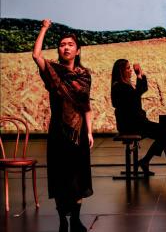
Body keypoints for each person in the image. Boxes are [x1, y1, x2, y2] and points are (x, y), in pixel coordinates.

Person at [32, 19, 93, 232]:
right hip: (59, 130)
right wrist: (44, 28)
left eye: (70, 44)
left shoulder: (84, 75)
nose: (65, 47)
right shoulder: (53, 71)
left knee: (78, 176)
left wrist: (90, 131)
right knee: (60, 177)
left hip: (78, 132)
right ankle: (62, 221)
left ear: (77, 50)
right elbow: (36, 56)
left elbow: (85, 105)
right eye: (62, 44)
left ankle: (75, 219)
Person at [111, 59, 166, 176]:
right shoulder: (119, 86)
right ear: (121, 71)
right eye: (127, 68)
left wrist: (139, 76)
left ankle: (150, 162)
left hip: (135, 122)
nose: (130, 70)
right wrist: (139, 75)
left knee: (162, 133)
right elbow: (136, 96)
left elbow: (140, 92)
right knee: (162, 131)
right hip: (130, 124)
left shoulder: (124, 85)